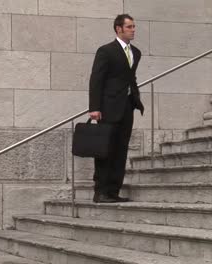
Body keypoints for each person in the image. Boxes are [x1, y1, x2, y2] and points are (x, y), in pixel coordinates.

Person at [88, 14, 144, 203]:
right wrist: (94, 107)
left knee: (121, 149)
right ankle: (100, 192)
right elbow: (96, 80)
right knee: (105, 149)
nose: (133, 29)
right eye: (129, 26)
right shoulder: (106, 51)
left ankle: (113, 191)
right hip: (108, 107)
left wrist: (136, 97)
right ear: (118, 29)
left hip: (127, 107)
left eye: (134, 26)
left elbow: (130, 77)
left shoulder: (136, 52)